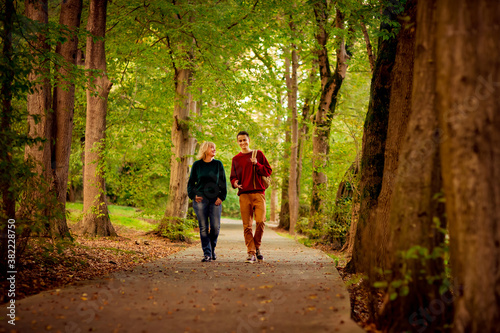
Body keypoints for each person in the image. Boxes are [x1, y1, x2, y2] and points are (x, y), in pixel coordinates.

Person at [230, 131, 272, 263]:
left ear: (249, 140)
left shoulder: (258, 154)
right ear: (238, 142)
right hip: (244, 195)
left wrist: (257, 164)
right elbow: (233, 177)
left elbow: (268, 171)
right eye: (240, 141)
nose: (242, 143)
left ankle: (257, 247)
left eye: (244, 140)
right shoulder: (236, 159)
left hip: (259, 194)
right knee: (247, 225)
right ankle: (251, 252)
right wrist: (235, 183)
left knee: (260, 221)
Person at [188, 141, 227, 262]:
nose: (214, 149)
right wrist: (193, 195)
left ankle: (212, 249)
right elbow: (191, 183)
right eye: (212, 148)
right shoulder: (197, 165)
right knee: (204, 227)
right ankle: (207, 253)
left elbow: (223, 182)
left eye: (215, 148)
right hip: (201, 200)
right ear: (205, 149)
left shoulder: (218, 165)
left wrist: (221, 197)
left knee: (215, 227)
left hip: (215, 200)